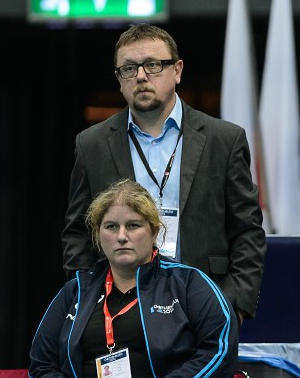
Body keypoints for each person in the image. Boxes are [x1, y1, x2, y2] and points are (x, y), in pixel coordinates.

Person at [28, 179, 251, 378]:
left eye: (133, 225)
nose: (122, 236)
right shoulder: (76, 290)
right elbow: (41, 368)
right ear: (99, 235)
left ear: (154, 231)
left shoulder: (189, 282)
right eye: (111, 226)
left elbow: (218, 356)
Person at [61, 24, 266, 321]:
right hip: (119, 310)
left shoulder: (224, 140)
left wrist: (234, 304)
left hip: (205, 305)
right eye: (129, 69)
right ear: (119, 80)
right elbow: (77, 234)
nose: (141, 76)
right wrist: (87, 303)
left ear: (178, 70)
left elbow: (247, 231)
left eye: (153, 65)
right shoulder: (92, 144)